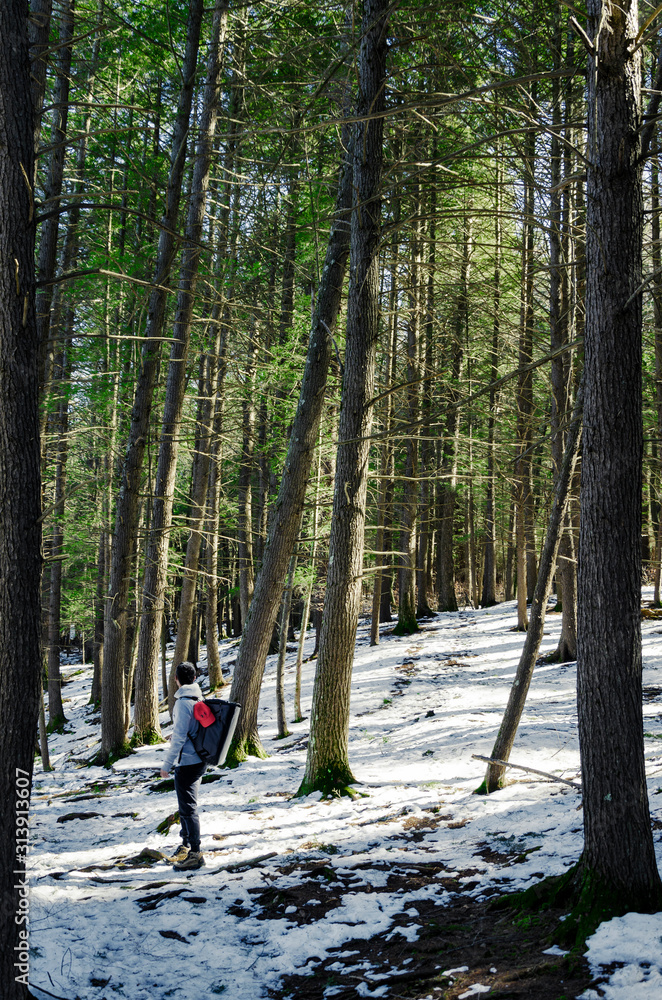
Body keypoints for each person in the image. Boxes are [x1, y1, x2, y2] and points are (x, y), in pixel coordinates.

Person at [160, 661, 206, 870]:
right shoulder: (198, 698)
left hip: (187, 761)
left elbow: (179, 738)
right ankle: (186, 847)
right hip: (199, 759)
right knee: (186, 807)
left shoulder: (182, 703)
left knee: (188, 808)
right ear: (194, 678)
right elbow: (192, 729)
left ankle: (195, 854)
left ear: (176, 679)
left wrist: (167, 765)